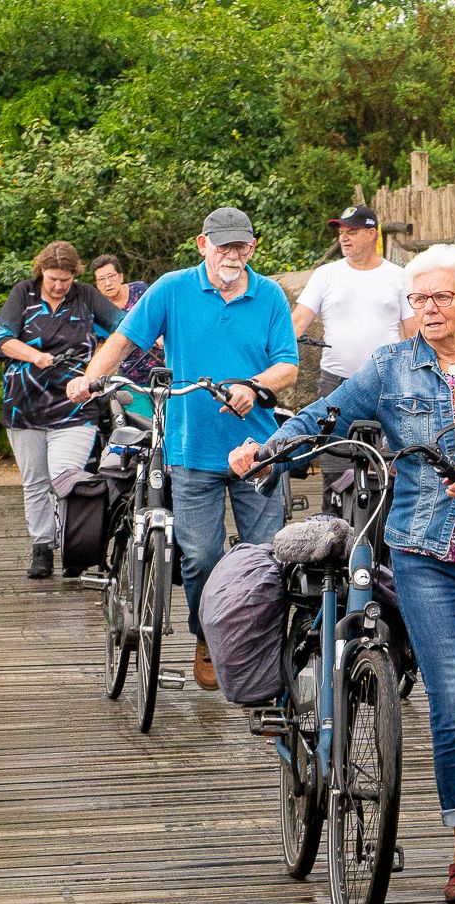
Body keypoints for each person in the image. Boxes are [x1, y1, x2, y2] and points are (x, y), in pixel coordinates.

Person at [230, 244, 455, 904]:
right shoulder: (391, 367)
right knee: (450, 702)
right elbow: (322, 416)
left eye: (441, 297)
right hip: (423, 555)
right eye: (418, 300)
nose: (429, 309)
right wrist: (265, 449)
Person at [67, 207, 299, 691]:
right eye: (224, 247)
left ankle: (255, 648)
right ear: (202, 245)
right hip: (191, 447)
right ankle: (207, 636)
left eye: (242, 246)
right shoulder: (173, 289)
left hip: (256, 449)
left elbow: (288, 367)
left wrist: (254, 386)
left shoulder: (271, 296)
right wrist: (89, 378)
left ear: (252, 248)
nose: (233, 255)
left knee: (263, 556)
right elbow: (125, 339)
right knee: (199, 555)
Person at [0, 240, 127, 579]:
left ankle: (74, 546)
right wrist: (35, 356)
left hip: (75, 403)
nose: (58, 285)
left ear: (74, 276)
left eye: (64, 279)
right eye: (52, 278)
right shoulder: (23, 294)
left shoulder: (85, 296)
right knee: (35, 481)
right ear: (41, 272)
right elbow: (2, 339)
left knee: (65, 476)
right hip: (25, 405)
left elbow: (125, 326)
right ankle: (41, 548)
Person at [291, 204, 416, 399]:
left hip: (386, 380)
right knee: (331, 431)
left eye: (352, 232)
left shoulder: (400, 276)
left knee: (386, 431)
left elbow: (413, 332)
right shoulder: (325, 274)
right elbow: (297, 322)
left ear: (371, 234)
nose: (343, 237)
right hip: (334, 381)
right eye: (341, 232)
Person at [90, 254, 164, 413]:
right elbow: (100, 349)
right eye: (101, 279)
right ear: (96, 285)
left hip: (163, 370)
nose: (108, 283)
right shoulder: (98, 312)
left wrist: (160, 336)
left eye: (111, 276)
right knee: (145, 426)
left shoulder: (140, 290)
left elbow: (160, 316)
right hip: (130, 380)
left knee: (172, 422)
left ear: (121, 276)